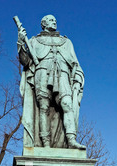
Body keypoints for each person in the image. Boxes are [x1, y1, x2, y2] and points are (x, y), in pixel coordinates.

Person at [17, 15, 86, 150]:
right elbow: (25, 61)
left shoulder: (66, 42)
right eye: (50, 20)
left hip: (63, 75)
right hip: (42, 74)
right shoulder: (34, 41)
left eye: (55, 20)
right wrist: (20, 43)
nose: (54, 21)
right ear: (43, 23)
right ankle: (45, 144)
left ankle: (71, 139)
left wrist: (78, 78)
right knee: (43, 107)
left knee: (67, 104)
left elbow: (75, 64)